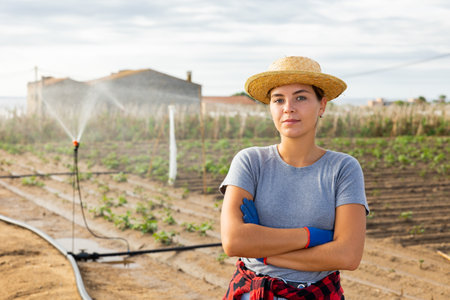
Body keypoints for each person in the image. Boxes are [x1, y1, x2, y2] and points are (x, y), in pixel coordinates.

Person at [219, 56, 369, 300]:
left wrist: (263, 252)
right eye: (279, 99)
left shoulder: (343, 168)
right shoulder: (250, 162)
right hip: (253, 292)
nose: (288, 107)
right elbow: (234, 242)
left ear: (322, 106)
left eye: (301, 97)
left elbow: (348, 256)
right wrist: (311, 236)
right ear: (271, 108)